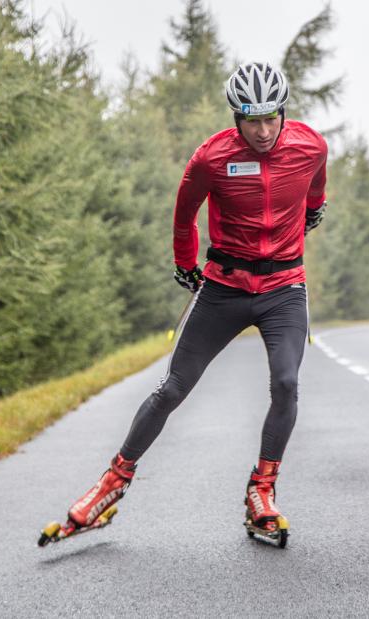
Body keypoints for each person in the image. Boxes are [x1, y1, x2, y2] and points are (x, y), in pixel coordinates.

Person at [57, 61, 327, 540]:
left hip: (284, 288)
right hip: (223, 287)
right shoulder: (212, 158)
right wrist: (187, 264)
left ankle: (262, 489)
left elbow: (316, 190)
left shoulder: (310, 146)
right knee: (172, 389)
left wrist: (311, 212)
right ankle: (112, 482)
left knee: (286, 383)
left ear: (283, 112)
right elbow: (185, 216)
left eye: (271, 118)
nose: (263, 131)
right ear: (235, 116)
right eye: (251, 120)